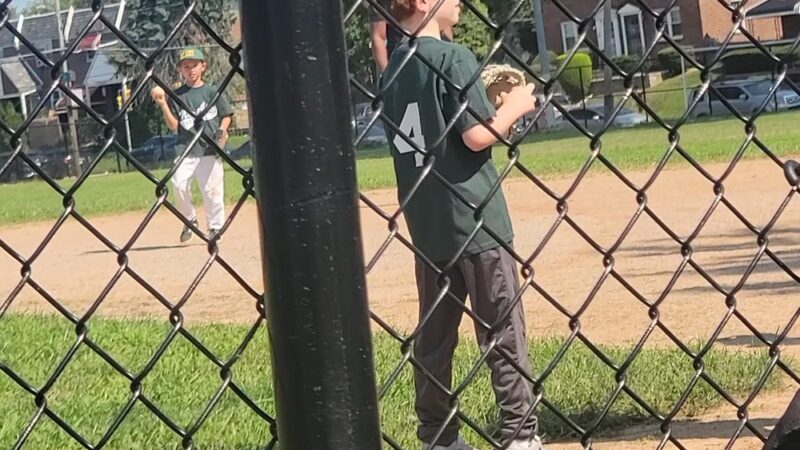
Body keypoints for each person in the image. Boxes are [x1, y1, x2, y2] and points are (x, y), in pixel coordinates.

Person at [382, 0, 544, 449]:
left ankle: (438, 435)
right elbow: (476, 136)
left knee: (435, 339)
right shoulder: (454, 57)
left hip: (429, 226)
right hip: (477, 220)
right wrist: (515, 107)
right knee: (503, 330)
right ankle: (520, 433)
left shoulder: (392, 69)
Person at [151, 47, 234, 243]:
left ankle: (215, 227)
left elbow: (227, 115)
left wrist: (222, 130)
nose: (190, 70)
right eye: (186, 66)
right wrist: (163, 104)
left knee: (212, 190)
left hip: (208, 149)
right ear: (181, 70)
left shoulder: (211, 91)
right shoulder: (177, 95)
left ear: (203, 66)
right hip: (186, 148)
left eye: (194, 65)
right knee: (178, 185)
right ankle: (190, 221)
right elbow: (174, 127)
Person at [370, 0, 453, 72]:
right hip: (401, 59)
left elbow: (443, 24)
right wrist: (387, 74)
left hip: (436, 53)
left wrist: (450, 50)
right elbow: (378, 37)